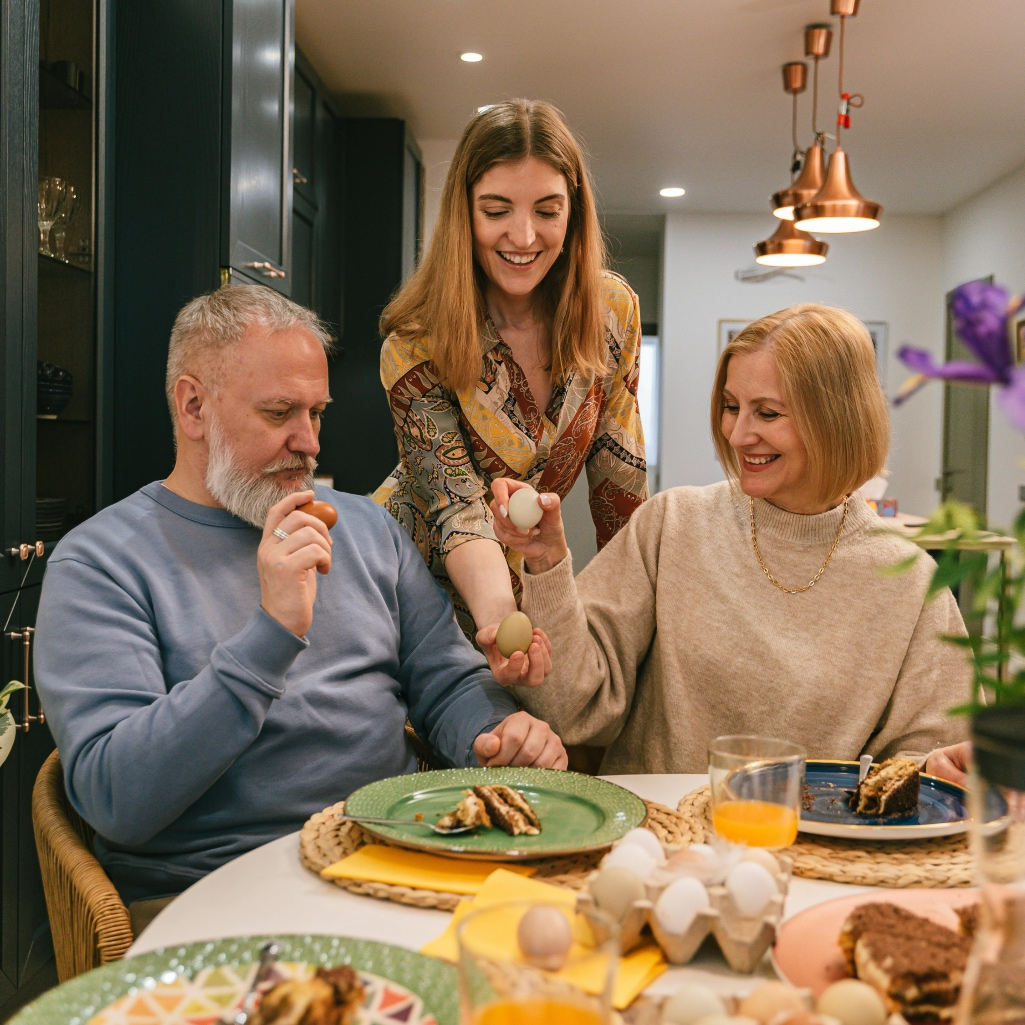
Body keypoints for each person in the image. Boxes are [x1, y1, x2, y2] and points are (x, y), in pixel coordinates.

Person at [33, 285, 566, 904]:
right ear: (193, 406)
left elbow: (447, 682)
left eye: (317, 413)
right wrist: (271, 633)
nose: (309, 441)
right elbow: (117, 800)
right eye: (279, 413)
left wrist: (495, 734)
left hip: (395, 860)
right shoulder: (100, 562)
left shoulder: (366, 530)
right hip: (214, 894)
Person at [489, 303, 971, 778]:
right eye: (731, 407)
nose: (738, 435)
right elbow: (574, 707)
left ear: (836, 418)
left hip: (815, 848)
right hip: (657, 836)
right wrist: (546, 560)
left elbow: (930, 758)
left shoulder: (911, 579)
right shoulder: (671, 525)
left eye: (767, 413)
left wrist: (937, 768)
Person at [373, 99, 649, 687]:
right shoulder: (415, 341)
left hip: (526, 581)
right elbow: (458, 508)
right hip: (412, 585)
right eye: (496, 210)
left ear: (573, 214)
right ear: (463, 212)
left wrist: (638, 627)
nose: (524, 237)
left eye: (548, 211)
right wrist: (502, 620)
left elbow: (620, 481)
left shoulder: (612, 313)